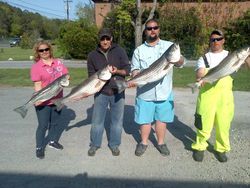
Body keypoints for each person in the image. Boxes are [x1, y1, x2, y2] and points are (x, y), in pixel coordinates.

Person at [130, 19, 184, 156]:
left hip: (164, 92)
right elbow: (135, 69)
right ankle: (143, 143)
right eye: (149, 28)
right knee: (144, 120)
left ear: (159, 29)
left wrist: (179, 59)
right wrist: (134, 77)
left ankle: (161, 142)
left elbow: (181, 62)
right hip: (144, 93)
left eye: (155, 27)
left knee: (162, 119)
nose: (152, 30)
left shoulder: (169, 46)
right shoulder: (139, 50)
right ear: (145, 31)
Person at [87, 28, 131, 156]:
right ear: (99, 40)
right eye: (102, 39)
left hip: (118, 91)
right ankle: (94, 144)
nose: (105, 41)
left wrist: (117, 71)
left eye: (107, 38)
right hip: (101, 92)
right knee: (97, 121)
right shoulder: (92, 55)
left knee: (117, 121)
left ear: (111, 39)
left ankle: (114, 144)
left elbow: (127, 70)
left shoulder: (120, 51)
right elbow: (91, 76)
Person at [191, 29, 233, 163]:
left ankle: (221, 149)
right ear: (210, 41)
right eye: (212, 39)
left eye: (218, 39)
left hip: (225, 98)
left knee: (223, 125)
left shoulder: (231, 56)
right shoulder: (204, 58)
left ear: (223, 40)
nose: (215, 42)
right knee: (203, 125)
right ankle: (200, 147)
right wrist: (201, 78)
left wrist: (246, 56)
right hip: (206, 97)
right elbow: (200, 72)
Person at [31, 41, 69, 159]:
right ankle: (39, 147)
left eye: (46, 49)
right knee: (43, 125)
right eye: (41, 50)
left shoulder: (58, 62)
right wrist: (38, 98)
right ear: (37, 52)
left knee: (55, 123)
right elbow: (37, 85)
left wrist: (66, 82)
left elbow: (67, 76)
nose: (44, 52)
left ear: (50, 49)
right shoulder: (36, 67)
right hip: (44, 101)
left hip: (58, 99)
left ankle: (52, 141)